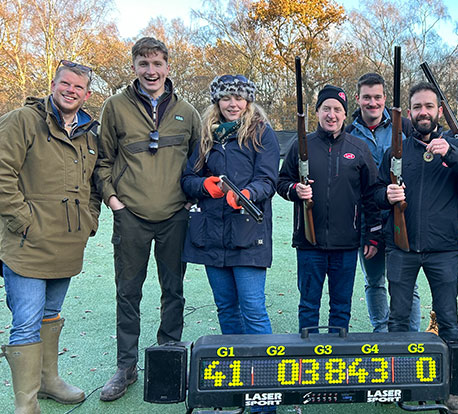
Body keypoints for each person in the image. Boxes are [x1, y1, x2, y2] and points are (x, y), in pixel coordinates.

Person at [375, 82, 458, 414]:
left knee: (449, 321)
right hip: (401, 248)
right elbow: (373, 194)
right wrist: (386, 196)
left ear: (440, 111)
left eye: (429, 106)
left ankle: (449, 389)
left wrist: (452, 154)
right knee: (398, 319)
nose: (423, 112)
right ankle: (398, 381)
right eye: (417, 107)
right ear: (409, 113)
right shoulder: (394, 152)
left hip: (444, 250)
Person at [94, 37, 201, 401]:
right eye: (144, 64)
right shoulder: (115, 107)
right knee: (128, 292)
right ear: (135, 66)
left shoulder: (188, 110)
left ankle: (169, 354)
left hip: (175, 217)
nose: (151, 71)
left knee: (174, 290)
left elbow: (199, 161)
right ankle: (126, 368)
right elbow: (102, 159)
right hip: (131, 217)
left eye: (157, 64)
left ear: (168, 67)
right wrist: (113, 200)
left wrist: (188, 202)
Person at [0, 60, 99, 412]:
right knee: (26, 321)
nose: (71, 91)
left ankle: (47, 382)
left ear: (87, 94)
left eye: (78, 87)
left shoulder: (89, 134)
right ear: (53, 85)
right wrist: (22, 220)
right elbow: (2, 172)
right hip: (27, 243)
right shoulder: (23, 121)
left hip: (67, 244)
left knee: (50, 314)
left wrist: (90, 219)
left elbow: (94, 186)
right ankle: (25, 404)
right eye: (65, 84)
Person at [181, 74, 279, 413]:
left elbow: (268, 179)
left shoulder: (261, 133)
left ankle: (264, 395)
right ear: (217, 102)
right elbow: (187, 178)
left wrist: (248, 194)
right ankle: (238, 384)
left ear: (248, 101)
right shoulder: (206, 135)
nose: (233, 103)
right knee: (226, 310)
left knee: (253, 311)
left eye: (238, 98)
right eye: (226, 98)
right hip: (211, 238)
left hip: (248, 236)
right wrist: (204, 185)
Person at [277, 84, 381, 333]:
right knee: (308, 306)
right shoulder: (302, 145)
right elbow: (281, 183)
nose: (331, 115)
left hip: (346, 246)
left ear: (345, 114)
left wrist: (373, 236)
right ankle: (308, 363)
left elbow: (372, 196)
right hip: (308, 244)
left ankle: (336, 364)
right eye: (326, 109)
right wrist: (295, 191)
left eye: (337, 109)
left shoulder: (359, 149)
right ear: (317, 112)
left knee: (341, 308)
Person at [345, 72, 421, 333]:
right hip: (367, 218)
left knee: (408, 283)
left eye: (377, 97)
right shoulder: (347, 132)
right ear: (358, 99)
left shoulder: (406, 127)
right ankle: (381, 333)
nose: (372, 103)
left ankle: (412, 336)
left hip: (403, 215)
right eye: (366, 97)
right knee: (374, 281)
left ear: (385, 98)